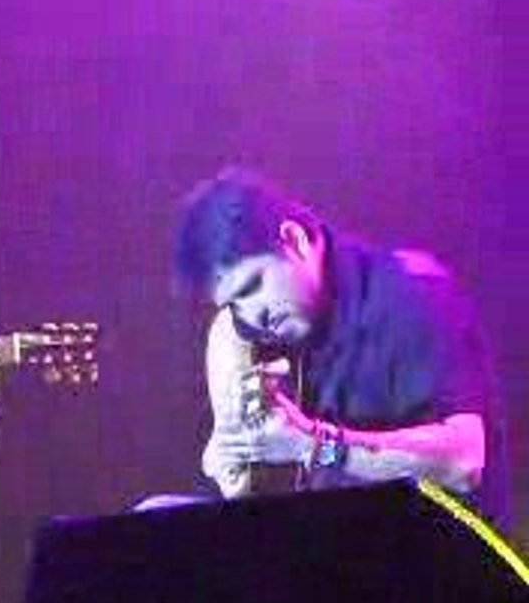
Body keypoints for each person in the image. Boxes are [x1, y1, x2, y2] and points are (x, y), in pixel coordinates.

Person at [158, 165, 508, 527]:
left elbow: (464, 462)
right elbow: (239, 463)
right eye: (234, 302)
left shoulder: (411, 291)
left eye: (252, 286)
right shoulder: (249, 328)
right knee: (156, 519)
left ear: (294, 240)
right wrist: (228, 451)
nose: (252, 314)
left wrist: (313, 445)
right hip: (334, 545)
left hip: (441, 554)